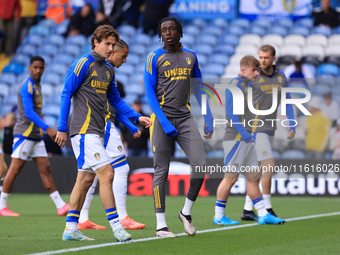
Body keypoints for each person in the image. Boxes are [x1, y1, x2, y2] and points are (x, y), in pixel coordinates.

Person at [55, 25, 151, 242]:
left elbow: (115, 100)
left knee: (84, 181)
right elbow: (66, 93)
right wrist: (62, 127)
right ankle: (117, 227)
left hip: (97, 131)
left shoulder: (108, 70)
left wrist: (136, 117)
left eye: (112, 44)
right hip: (83, 130)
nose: (110, 48)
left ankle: (70, 228)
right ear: (95, 42)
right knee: (107, 174)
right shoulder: (83, 64)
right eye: (107, 43)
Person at [144, 17, 213, 237]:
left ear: (179, 32)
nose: (168, 32)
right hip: (161, 119)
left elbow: (200, 88)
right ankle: (161, 225)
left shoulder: (191, 56)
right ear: (160, 34)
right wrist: (164, 122)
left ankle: (185, 212)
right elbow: (149, 94)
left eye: (172, 28)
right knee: (161, 171)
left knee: (200, 166)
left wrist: (208, 115)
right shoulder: (153, 57)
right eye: (163, 29)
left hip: (184, 119)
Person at [77, 39, 146, 230]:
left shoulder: (105, 70)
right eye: (123, 56)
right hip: (102, 126)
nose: (124, 60)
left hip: (100, 124)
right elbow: (111, 105)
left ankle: (82, 219)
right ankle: (122, 217)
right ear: (112, 52)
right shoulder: (104, 71)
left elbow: (112, 105)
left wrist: (132, 126)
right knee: (120, 169)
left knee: (92, 172)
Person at [214, 55, 285, 226]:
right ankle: (218, 215)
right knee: (230, 178)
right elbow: (230, 112)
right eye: (253, 70)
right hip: (236, 138)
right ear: (243, 70)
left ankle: (263, 214)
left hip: (248, 139)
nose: (256, 73)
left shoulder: (249, 86)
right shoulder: (235, 84)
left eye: (257, 70)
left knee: (253, 178)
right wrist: (246, 135)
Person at [0, 56, 69, 217]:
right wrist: (48, 128)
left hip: (35, 136)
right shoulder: (26, 86)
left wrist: (42, 128)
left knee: (45, 168)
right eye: (35, 67)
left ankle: (60, 206)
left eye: (41, 68)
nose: (38, 70)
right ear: (30, 67)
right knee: (15, 169)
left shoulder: (37, 86)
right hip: (24, 134)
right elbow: (29, 113)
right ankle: (2, 206)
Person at [241, 45, 295, 221]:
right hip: (256, 129)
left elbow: (286, 100)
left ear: (273, 58)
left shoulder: (281, 77)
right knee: (268, 168)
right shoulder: (253, 76)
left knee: (257, 171)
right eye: (260, 57)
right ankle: (267, 208)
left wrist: (291, 123)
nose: (262, 60)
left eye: (266, 57)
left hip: (270, 128)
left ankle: (248, 209)